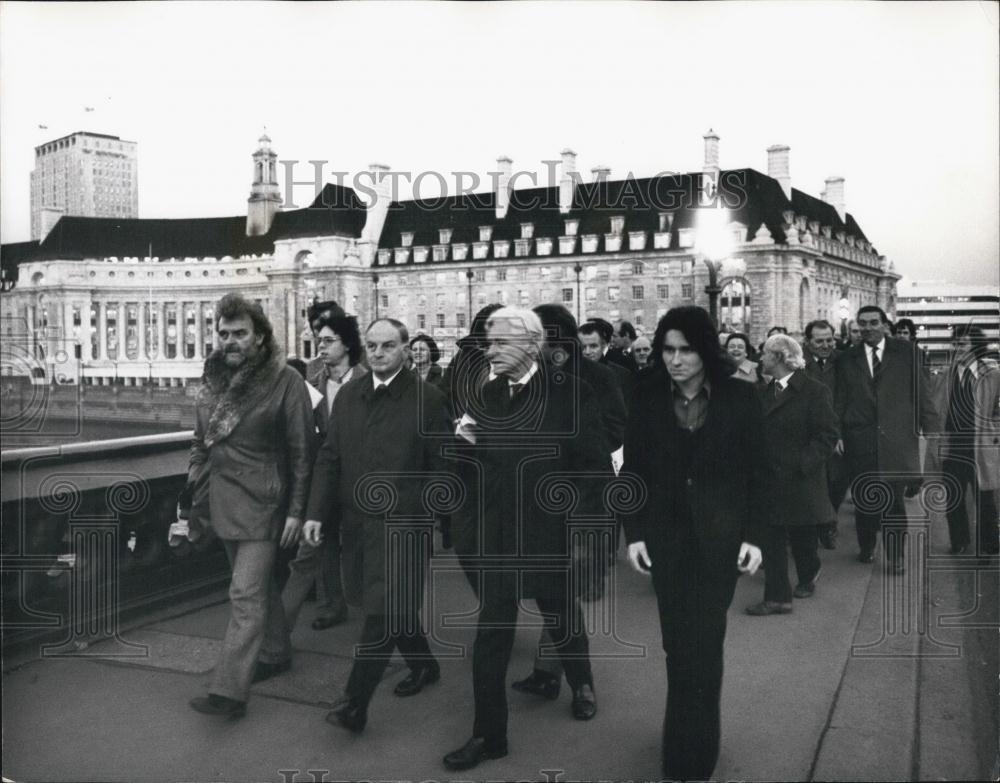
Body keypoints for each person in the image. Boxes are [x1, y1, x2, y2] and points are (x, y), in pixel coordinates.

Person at [444, 307, 605, 772]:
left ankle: (583, 684)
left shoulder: (570, 392)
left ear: (531, 344)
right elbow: (469, 462)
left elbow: (592, 468)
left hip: (549, 532)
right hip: (496, 536)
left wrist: (581, 530)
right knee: (492, 635)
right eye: (487, 344)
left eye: (498, 343)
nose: (489, 351)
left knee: (560, 614)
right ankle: (488, 736)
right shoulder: (487, 394)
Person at [623, 305, 764, 782]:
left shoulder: (741, 399)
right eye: (667, 349)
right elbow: (633, 474)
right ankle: (678, 736)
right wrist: (635, 534)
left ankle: (695, 751)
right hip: (665, 540)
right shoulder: (644, 397)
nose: (675, 359)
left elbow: (759, 474)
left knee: (705, 643)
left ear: (705, 351)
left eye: (685, 350)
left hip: (720, 541)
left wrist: (756, 538)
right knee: (675, 645)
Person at [304, 319, 452, 734]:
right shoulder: (350, 396)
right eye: (372, 346)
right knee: (385, 605)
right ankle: (424, 664)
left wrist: (428, 515)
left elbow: (444, 470)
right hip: (357, 524)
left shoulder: (430, 399)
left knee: (382, 611)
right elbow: (330, 458)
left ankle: (355, 702)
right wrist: (315, 512)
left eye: (388, 345)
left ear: (406, 348)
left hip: (405, 526)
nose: (379, 353)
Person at [187, 294, 314, 719]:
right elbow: (200, 441)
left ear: (260, 337)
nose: (230, 341)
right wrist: (194, 479)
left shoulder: (285, 381)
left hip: (264, 502)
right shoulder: (212, 378)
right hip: (220, 502)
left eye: (240, 333)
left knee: (244, 593)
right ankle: (276, 652)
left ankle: (229, 691)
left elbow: (302, 453)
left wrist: (297, 511)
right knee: (256, 589)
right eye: (224, 333)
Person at [506, 303, 626, 702]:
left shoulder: (597, 378)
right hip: (539, 505)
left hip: (584, 502)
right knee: (554, 595)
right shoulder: (528, 379)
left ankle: (577, 684)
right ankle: (553, 675)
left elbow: (613, 431)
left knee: (563, 597)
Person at [835, 305, 939, 571]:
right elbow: (839, 400)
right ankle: (867, 545)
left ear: (884, 324)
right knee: (865, 500)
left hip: (896, 440)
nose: (868, 328)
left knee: (893, 502)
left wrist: (932, 428)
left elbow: (921, 392)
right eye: (863, 323)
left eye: (873, 322)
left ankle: (895, 557)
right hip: (859, 440)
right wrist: (837, 433)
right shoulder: (847, 358)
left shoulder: (906, 352)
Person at [281, 311, 366, 632]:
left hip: (359, 480)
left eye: (329, 341)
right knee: (320, 544)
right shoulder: (312, 384)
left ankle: (367, 605)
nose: (321, 347)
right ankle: (332, 605)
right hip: (323, 479)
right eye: (319, 341)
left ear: (347, 345)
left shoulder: (366, 382)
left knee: (359, 548)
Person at [746, 334, 838, 615]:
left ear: (779, 357)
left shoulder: (814, 391)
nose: (759, 358)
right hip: (767, 478)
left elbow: (827, 435)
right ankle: (778, 598)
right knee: (770, 537)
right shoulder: (761, 392)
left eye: (764, 354)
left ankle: (809, 573)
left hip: (799, 478)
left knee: (802, 534)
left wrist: (801, 464)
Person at [927, 325, 1000, 555]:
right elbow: (936, 409)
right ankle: (959, 541)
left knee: (985, 498)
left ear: (976, 347)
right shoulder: (945, 376)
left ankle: (990, 543)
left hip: (980, 444)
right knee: (954, 498)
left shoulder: (992, 376)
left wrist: (995, 430)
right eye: (955, 344)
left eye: (963, 344)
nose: (958, 348)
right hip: (952, 446)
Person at [804, 319, 846, 550]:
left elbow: (846, 398)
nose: (825, 345)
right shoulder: (798, 362)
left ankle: (829, 521)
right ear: (807, 341)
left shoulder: (843, 361)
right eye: (819, 341)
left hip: (837, 430)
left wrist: (838, 434)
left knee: (837, 482)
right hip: (808, 433)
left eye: (829, 340)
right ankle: (816, 526)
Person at [579, 318, 636, 402]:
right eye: (583, 347)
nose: (587, 352)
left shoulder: (622, 375)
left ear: (603, 345)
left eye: (593, 346)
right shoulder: (570, 374)